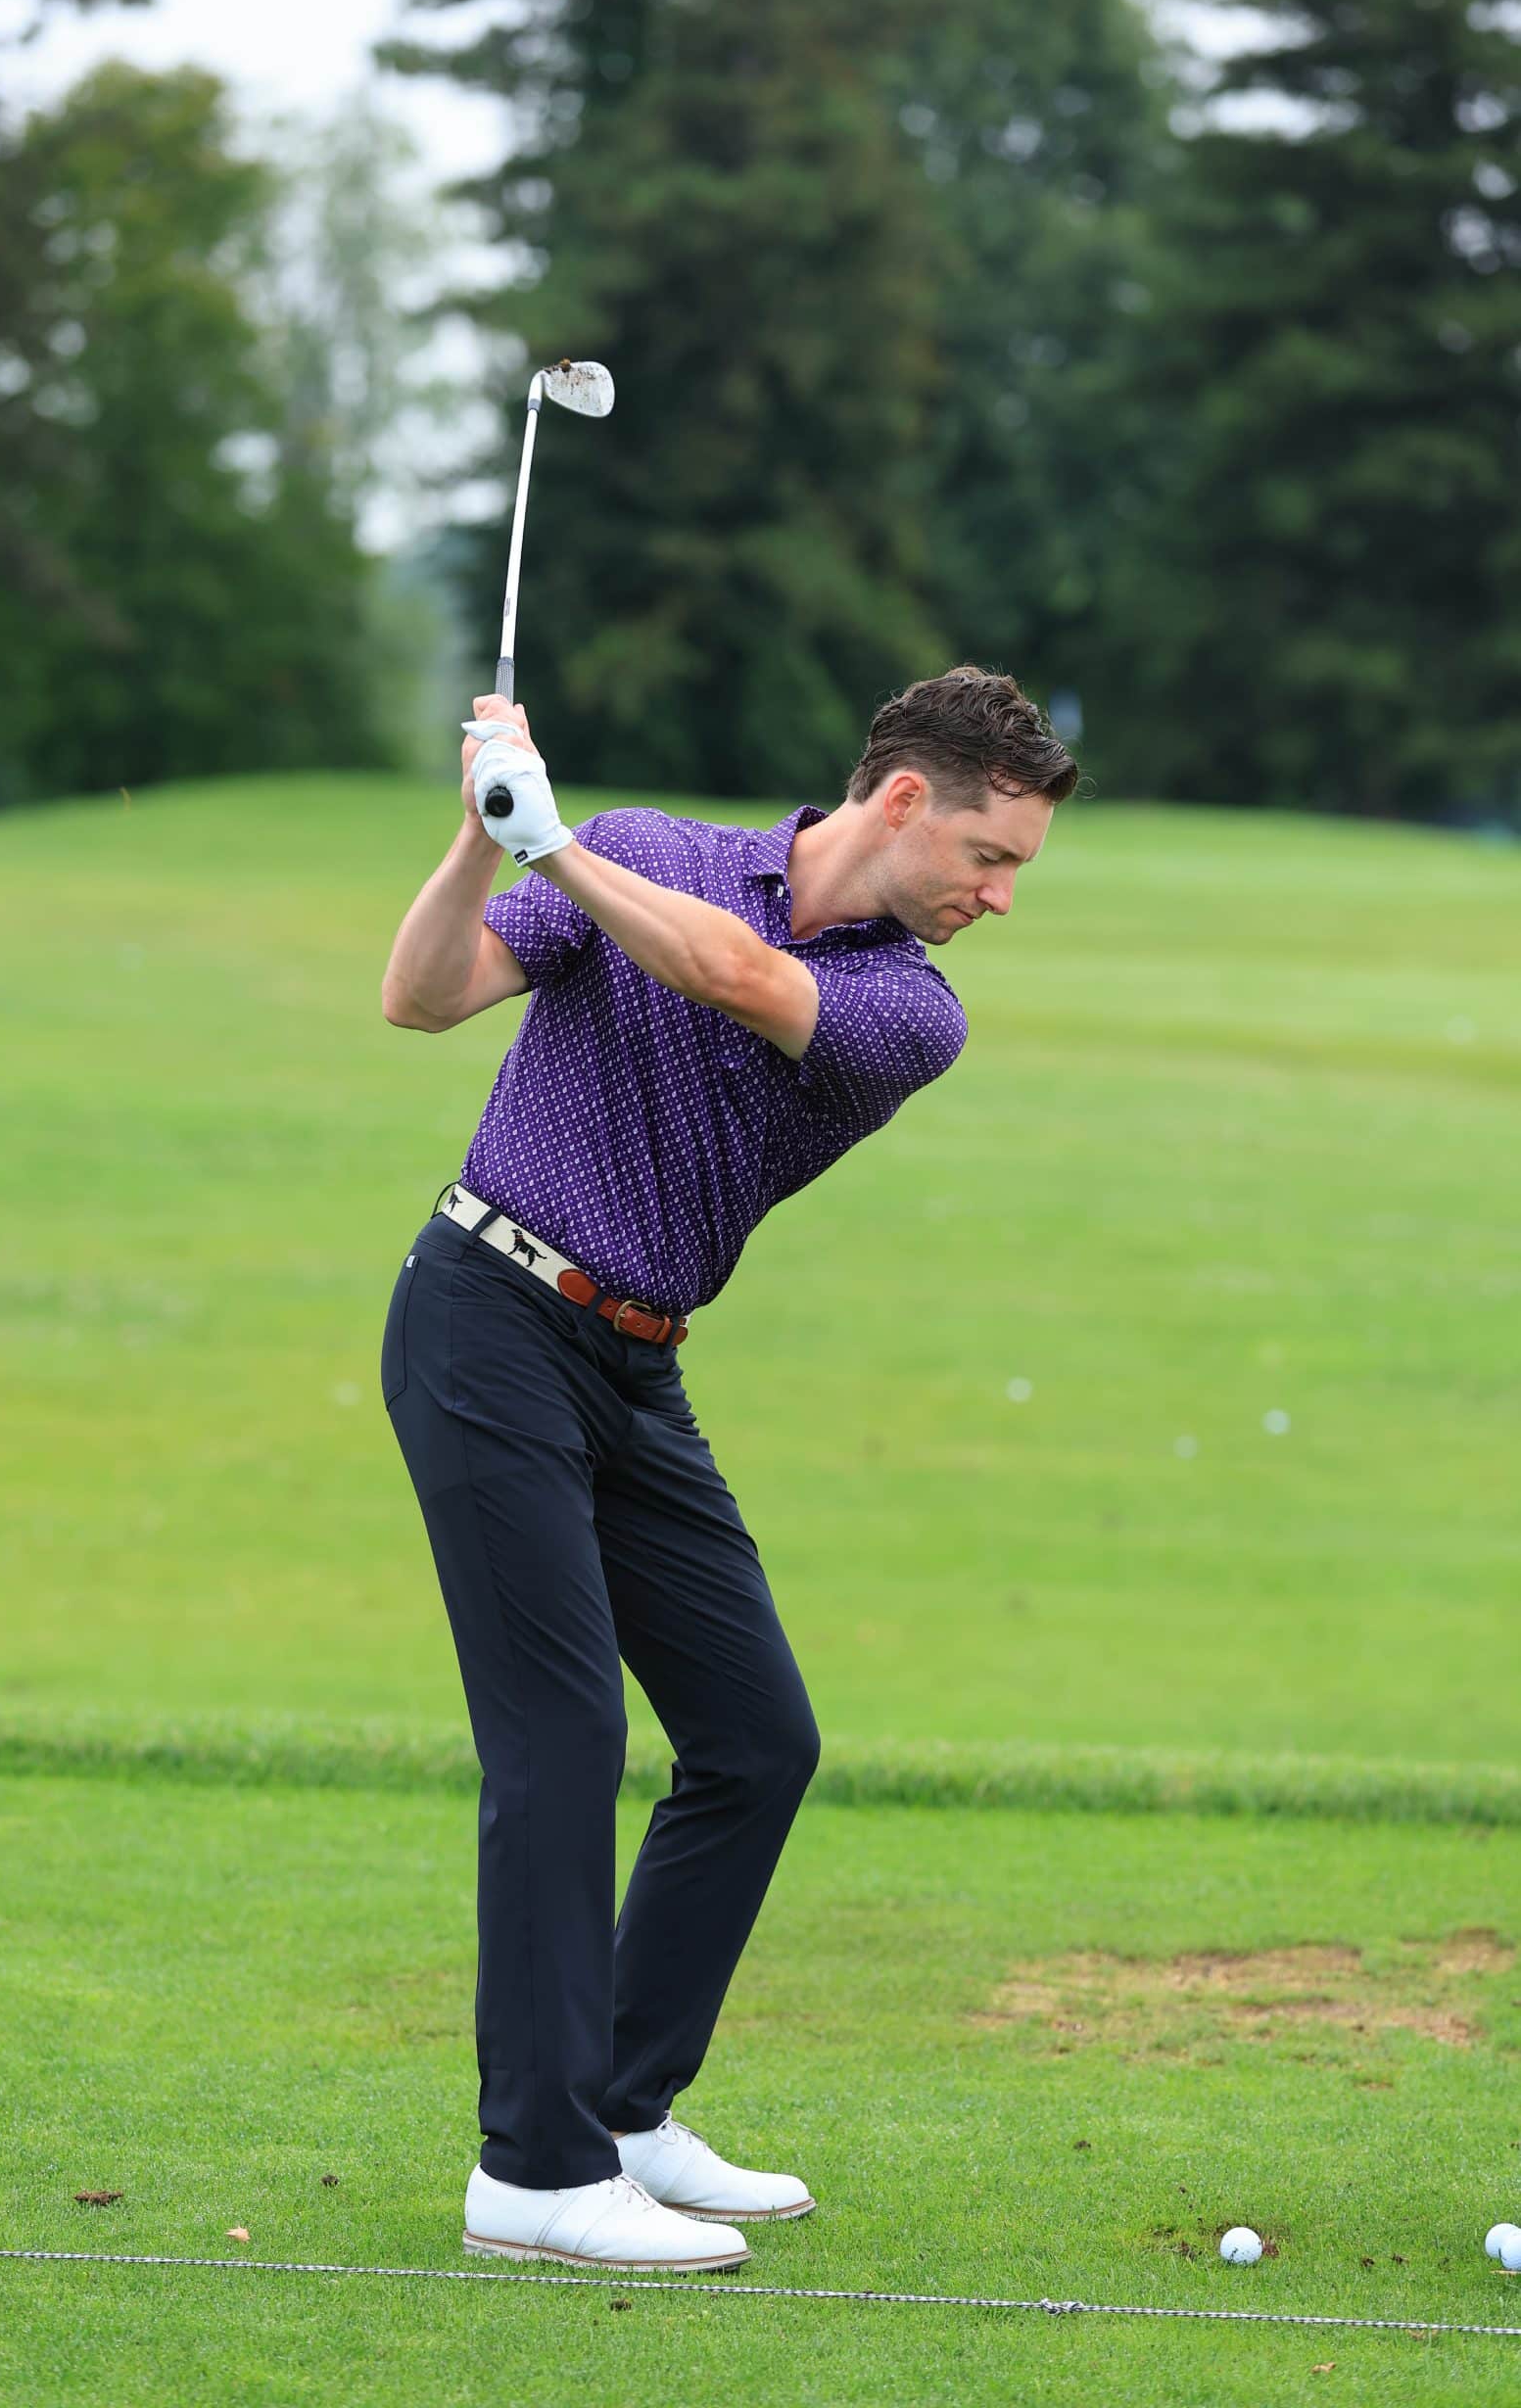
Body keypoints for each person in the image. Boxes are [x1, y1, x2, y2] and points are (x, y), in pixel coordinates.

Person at [378, 664, 1079, 2274]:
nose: (1001, 898)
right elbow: (421, 998)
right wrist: (483, 840)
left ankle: (622, 2109)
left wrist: (552, 845)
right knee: (559, 1736)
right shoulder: (644, 847)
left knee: (758, 1741)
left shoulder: (912, 1012)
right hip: (486, 1315)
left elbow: (744, 980)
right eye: (994, 856)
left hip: (637, 1363)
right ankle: (535, 2174)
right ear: (905, 799)